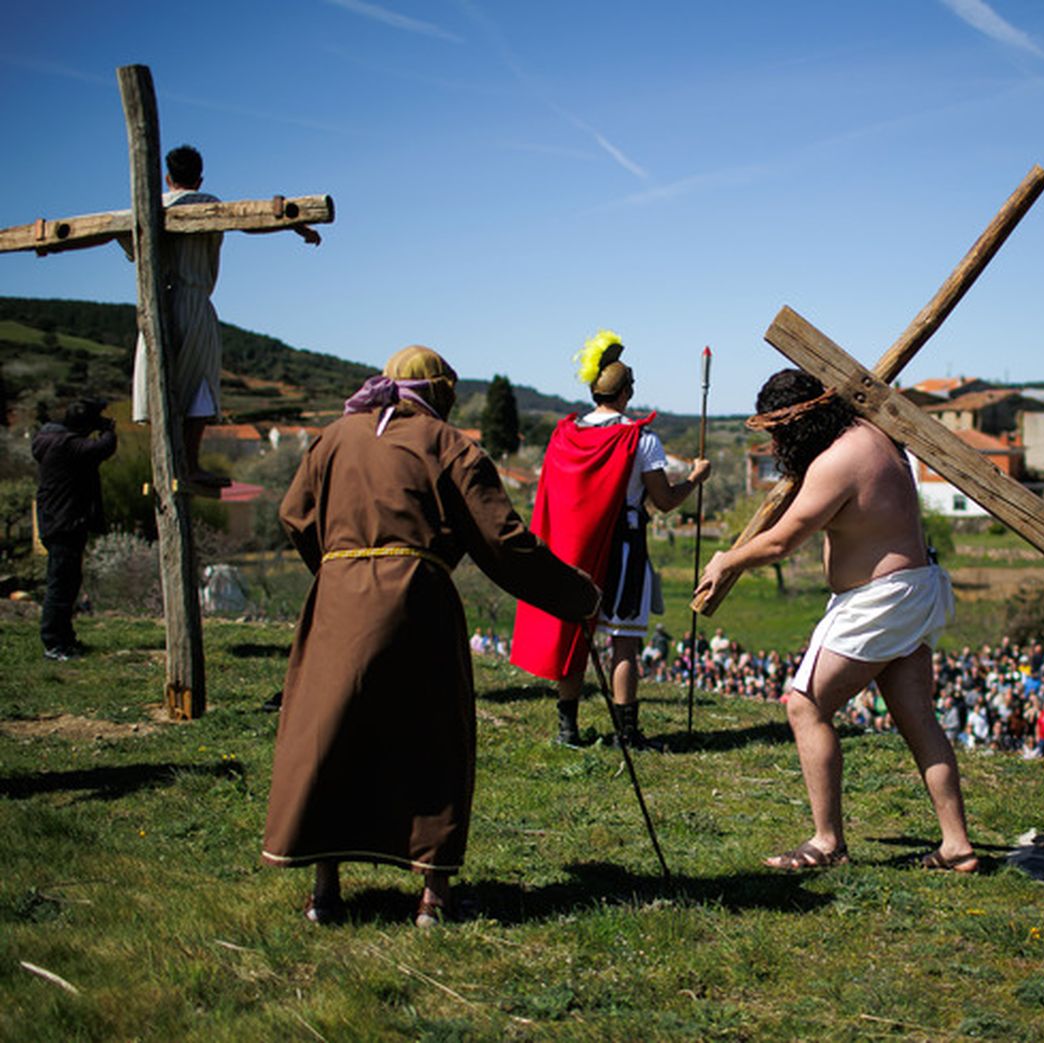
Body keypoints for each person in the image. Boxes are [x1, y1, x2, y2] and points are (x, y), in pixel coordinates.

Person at [261, 346, 599, 927]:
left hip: (338, 597)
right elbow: (504, 542)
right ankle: (433, 900)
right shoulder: (451, 446)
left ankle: (324, 894)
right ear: (441, 391)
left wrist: (341, 568)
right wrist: (576, 596)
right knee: (432, 737)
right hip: (417, 598)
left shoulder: (333, 437)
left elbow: (295, 514)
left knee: (330, 732)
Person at [695, 369, 976, 872]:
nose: (778, 445)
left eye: (780, 434)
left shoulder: (838, 460)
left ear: (801, 423)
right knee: (917, 718)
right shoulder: (878, 436)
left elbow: (783, 539)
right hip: (911, 588)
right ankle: (956, 844)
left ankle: (828, 842)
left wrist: (726, 560)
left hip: (879, 602)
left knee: (805, 707)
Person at [510, 330, 709, 749]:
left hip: (574, 549)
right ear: (626, 392)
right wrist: (694, 477)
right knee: (624, 641)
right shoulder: (641, 439)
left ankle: (568, 728)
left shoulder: (566, 434)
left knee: (576, 631)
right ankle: (626, 732)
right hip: (623, 548)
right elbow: (665, 500)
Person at [128, 144, 318, 486]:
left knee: (156, 382)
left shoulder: (146, 206)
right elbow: (251, 222)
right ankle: (189, 463)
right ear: (199, 178)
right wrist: (295, 223)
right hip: (194, 301)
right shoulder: (207, 204)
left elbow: (124, 242)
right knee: (200, 384)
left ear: (168, 177)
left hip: (153, 306)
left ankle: (165, 463)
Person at [32, 397, 117, 661]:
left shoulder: (48, 440)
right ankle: (54, 643)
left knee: (67, 582)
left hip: (55, 520)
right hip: (65, 522)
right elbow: (102, 448)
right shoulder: (67, 446)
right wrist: (108, 429)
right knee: (61, 584)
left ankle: (64, 638)